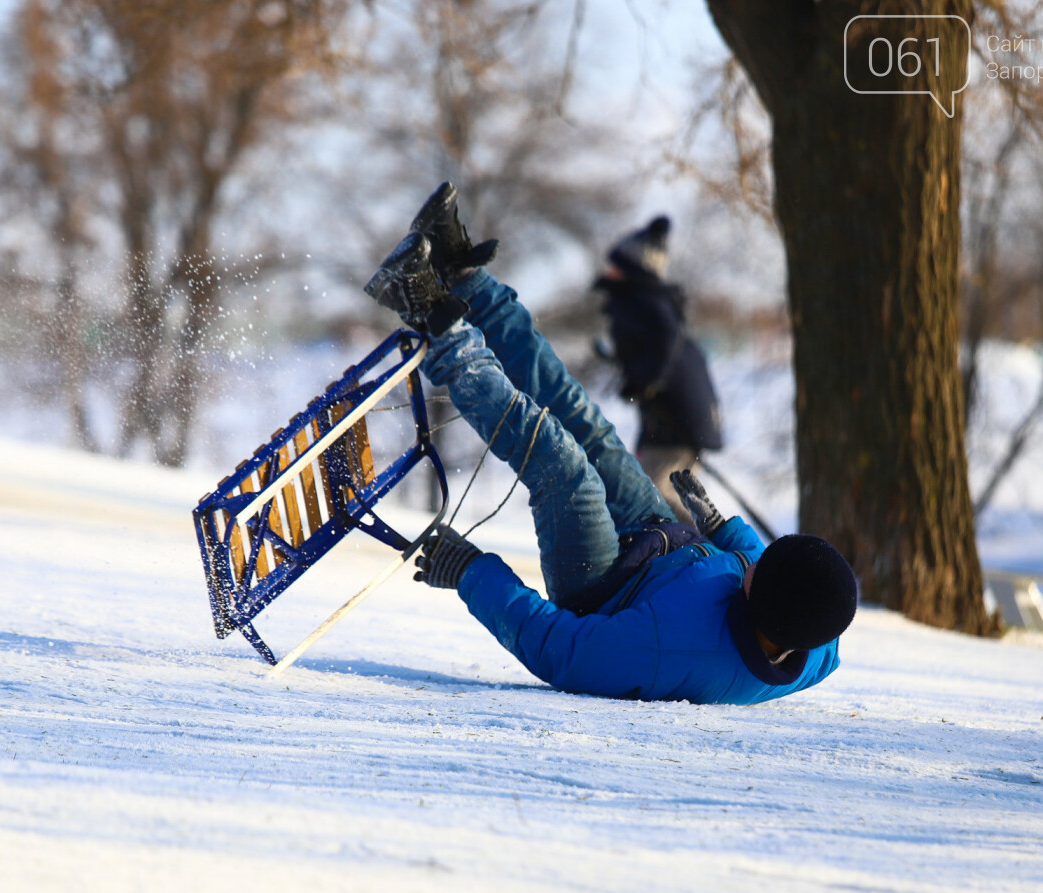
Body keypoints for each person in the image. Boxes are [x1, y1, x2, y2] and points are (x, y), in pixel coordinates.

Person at [363, 182, 856, 705]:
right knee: (582, 419)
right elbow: (780, 580)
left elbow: (563, 653)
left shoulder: (670, 650)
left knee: (563, 466)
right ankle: (465, 279)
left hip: (600, 586)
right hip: (658, 540)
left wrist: (471, 573)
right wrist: (723, 529)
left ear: (763, 604)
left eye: (760, 567)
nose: (754, 558)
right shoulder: (813, 641)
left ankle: (435, 322)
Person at [595, 216, 723, 525]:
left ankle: (705, 543)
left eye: (618, 264)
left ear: (633, 269)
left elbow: (664, 341)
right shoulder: (652, 301)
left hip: (673, 426)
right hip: (679, 421)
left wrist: (646, 380)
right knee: (671, 493)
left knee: (649, 493)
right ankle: (698, 549)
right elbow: (654, 346)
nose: (610, 270)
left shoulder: (644, 301)